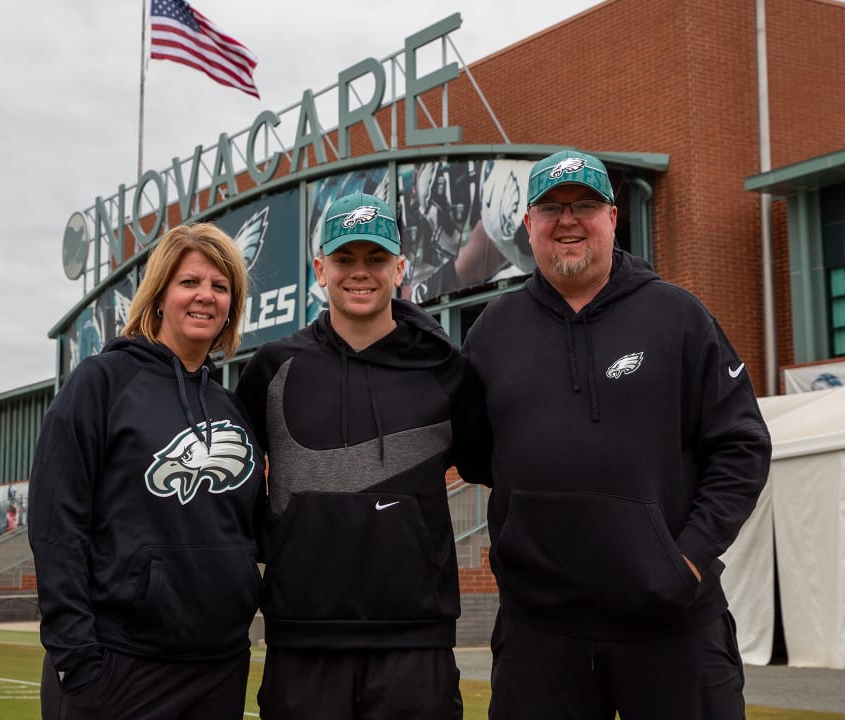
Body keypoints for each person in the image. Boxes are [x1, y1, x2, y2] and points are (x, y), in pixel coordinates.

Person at [458, 149, 772, 720]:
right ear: (528, 224)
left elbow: (742, 447)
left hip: (673, 625)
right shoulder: (491, 333)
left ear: (612, 217)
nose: (568, 219)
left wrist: (688, 561)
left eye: (584, 204)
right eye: (551, 206)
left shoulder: (678, 317)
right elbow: (481, 456)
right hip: (540, 634)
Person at [237, 192, 464, 720]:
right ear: (320, 268)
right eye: (344, 259)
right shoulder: (272, 367)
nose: (359, 273)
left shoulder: (446, 370)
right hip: (303, 641)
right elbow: (236, 483)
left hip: (416, 641)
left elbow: (496, 462)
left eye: (375, 259)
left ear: (400, 268)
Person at [28, 223, 265, 720]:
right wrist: (78, 659)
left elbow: (252, 531)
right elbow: (57, 524)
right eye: (190, 283)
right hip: (120, 666)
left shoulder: (232, 409)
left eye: (221, 287)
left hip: (218, 668)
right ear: (159, 296)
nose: (206, 297)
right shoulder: (100, 383)